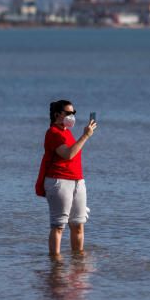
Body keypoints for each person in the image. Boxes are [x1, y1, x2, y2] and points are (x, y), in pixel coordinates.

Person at [35, 100, 97, 258]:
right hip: (59, 182)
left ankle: (77, 262)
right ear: (58, 115)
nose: (72, 116)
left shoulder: (66, 132)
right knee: (59, 226)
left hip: (78, 181)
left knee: (78, 225)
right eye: (68, 113)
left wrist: (83, 136)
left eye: (73, 113)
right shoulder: (53, 133)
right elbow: (68, 154)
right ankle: (55, 264)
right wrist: (85, 136)